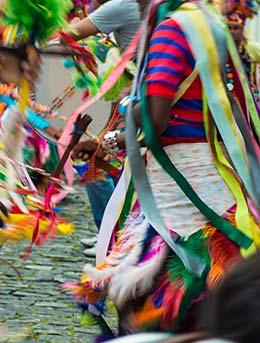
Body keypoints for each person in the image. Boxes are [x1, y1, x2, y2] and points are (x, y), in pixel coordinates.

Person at [68, 0, 259, 337]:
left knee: (147, 292)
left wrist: (118, 131)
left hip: (177, 192)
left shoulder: (172, 30)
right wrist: (107, 142)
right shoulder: (203, 23)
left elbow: (156, 118)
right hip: (211, 181)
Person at [61, 0, 145, 257]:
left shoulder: (124, 6)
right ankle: (111, 235)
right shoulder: (160, 11)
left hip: (141, 105)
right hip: (134, 100)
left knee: (102, 165)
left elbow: (65, 36)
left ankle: (112, 238)